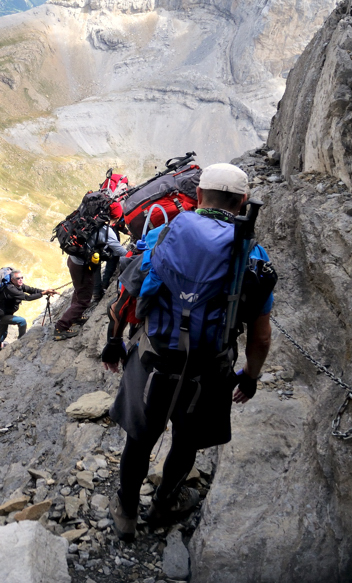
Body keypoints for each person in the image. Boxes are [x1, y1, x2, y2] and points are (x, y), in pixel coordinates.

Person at [101, 164, 274, 540]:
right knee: (187, 441)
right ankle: (164, 503)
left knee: (140, 438)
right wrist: (251, 376)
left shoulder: (166, 232)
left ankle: (127, 512)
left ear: (198, 197)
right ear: (242, 202)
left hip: (154, 359)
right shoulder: (252, 255)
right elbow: (260, 337)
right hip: (209, 370)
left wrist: (114, 341)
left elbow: (125, 297)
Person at [54, 202, 127, 340]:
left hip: (74, 260)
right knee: (84, 299)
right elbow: (120, 250)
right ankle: (61, 328)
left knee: (79, 289)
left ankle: (75, 317)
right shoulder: (106, 230)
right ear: (116, 217)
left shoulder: (90, 222)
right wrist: (133, 254)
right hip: (81, 266)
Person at [0, 270, 55, 356]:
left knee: (2, 332)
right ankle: (22, 341)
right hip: (0, 315)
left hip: (4, 313)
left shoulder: (19, 286)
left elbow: (32, 290)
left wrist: (45, 291)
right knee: (22, 321)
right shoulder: (10, 289)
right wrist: (43, 293)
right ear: (12, 280)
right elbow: (27, 297)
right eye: (18, 278)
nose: (21, 280)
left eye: (22, 277)